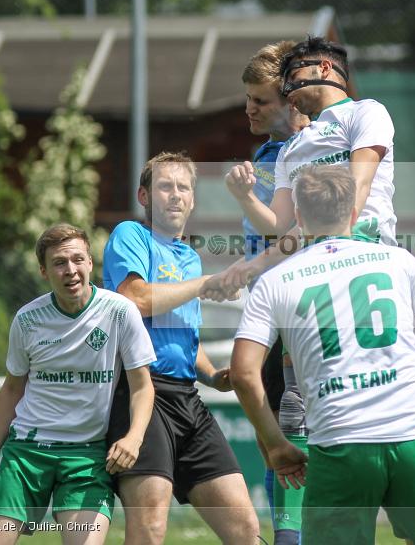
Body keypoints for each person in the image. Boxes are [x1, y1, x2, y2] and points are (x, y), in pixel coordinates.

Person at [230, 165, 415, 545]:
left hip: (340, 438)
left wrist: (276, 444)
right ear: (354, 214)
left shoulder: (274, 281)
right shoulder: (398, 260)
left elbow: (242, 373)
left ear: (300, 218)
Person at [0, 224, 156, 545]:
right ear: (43, 271)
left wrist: (133, 438)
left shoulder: (120, 312)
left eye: (78, 259)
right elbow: (12, 389)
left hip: (87, 456)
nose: (71, 270)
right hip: (26, 453)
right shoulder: (27, 319)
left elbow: (143, 386)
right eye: (59, 263)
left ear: (91, 263)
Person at [102, 152, 260, 544]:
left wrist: (213, 374)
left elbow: (182, 333)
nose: (175, 195)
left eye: (183, 187)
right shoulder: (130, 235)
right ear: (144, 195)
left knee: (245, 529)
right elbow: (136, 299)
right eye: (165, 186)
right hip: (141, 391)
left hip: (188, 397)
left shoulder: (188, 257)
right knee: (150, 527)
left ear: (192, 199)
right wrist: (206, 284)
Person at [212, 35, 397, 294]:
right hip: (312, 272)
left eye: (293, 75)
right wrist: (244, 197)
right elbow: (277, 227)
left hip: (365, 259)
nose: (288, 88)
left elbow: (356, 190)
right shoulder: (289, 149)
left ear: (323, 68)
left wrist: (256, 264)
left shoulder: (365, 112)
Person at [240, 40, 311, 544]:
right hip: (268, 310)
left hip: (305, 313)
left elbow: (291, 238)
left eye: (259, 100)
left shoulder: (314, 153)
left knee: (300, 430)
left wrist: (243, 196)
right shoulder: (266, 153)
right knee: (275, 439)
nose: (249, 109)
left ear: (290, 101)